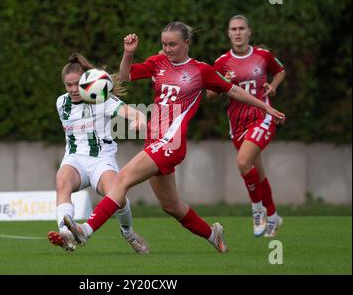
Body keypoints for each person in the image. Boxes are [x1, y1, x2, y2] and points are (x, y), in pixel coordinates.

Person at [53, 22, 286, 253]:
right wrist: (128, 53)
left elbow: (233, 90)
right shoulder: (158, 63)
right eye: (164, 44)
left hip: (171, 143)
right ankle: (213, 234)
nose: (168, 49)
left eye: (173, 44)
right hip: (154, 141)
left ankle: (85, 230)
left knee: (122, 179)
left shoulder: (200, 70)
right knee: (171, 205)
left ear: (187, 43)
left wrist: (266, 108)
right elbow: (125, 76)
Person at [47, 53, 150, 254]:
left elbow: (132, 112)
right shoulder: (61, 103)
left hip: (101, 160)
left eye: (77, 84)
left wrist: (139, 120)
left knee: (118, 197)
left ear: (86, 82)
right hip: (74, 159)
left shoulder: (102, 99)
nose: (73, 89)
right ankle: (66, 235)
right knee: (62, 182)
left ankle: (128, 234)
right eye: (68, 85)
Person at [207, 15, 286, 237]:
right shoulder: (222, 62)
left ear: (249, 32)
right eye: (234, 29)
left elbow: (280, 70)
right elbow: (210, 94)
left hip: (263, 118)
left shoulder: (262, 56)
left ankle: (257, 210)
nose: (238, 32)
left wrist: (274, 85)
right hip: (237, 125)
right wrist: (226, 82)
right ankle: (273, 216)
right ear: (228, 33)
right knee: (258, 175)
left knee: (242, 162)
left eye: (242, 28)